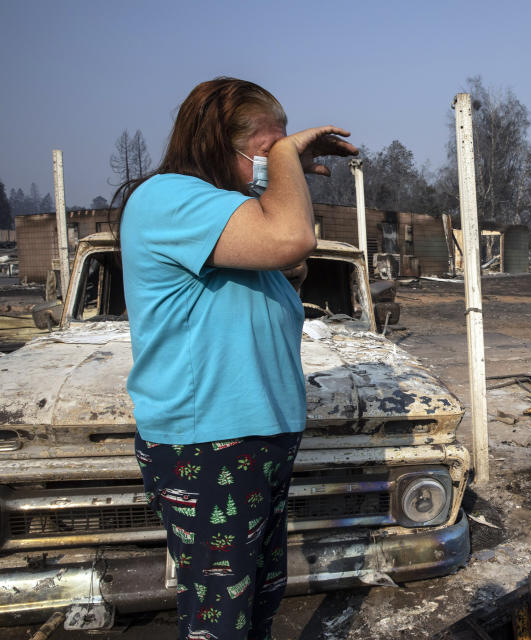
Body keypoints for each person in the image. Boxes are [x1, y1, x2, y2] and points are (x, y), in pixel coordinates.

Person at [115, 77, 357, 639]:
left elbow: (284, 268)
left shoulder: (225, 211)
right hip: (210, 445)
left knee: (256, 607)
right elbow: (294, 238)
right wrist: (287, 158)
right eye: (263, 151)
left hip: (253, 440)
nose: (272, 163)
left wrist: (273, 173)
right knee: (220, 621)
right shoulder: (169, 198)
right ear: (214, 145)